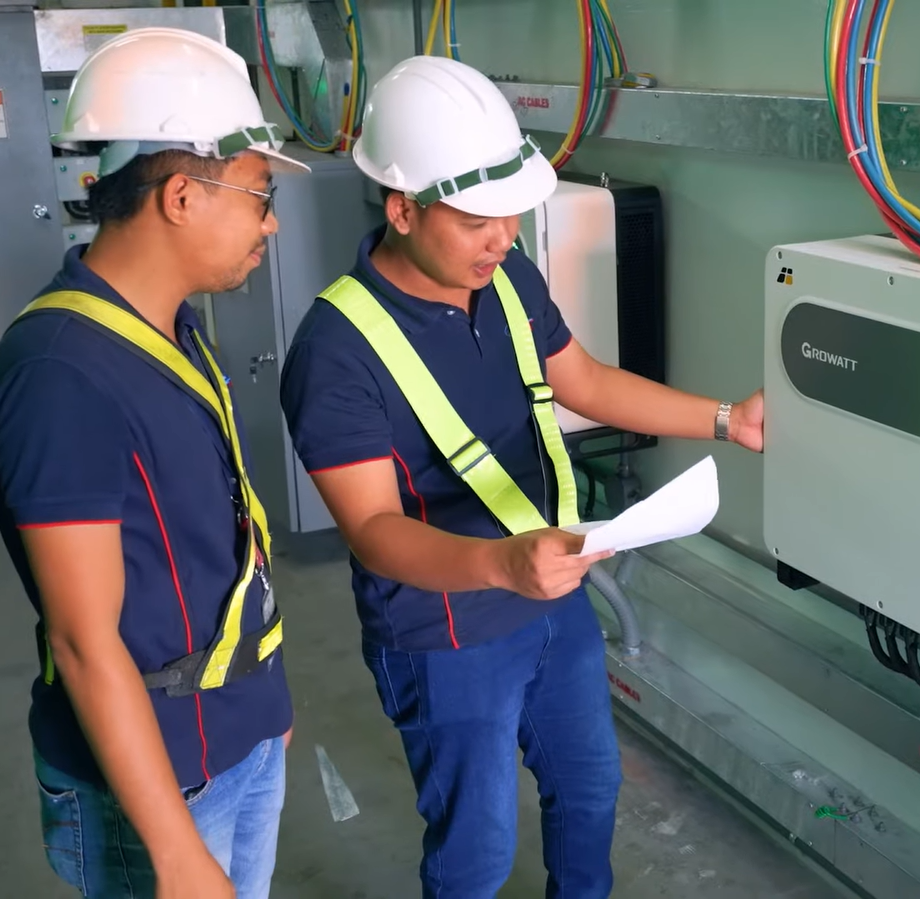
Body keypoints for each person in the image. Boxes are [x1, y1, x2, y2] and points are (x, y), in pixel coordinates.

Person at [278, 54, 764, 898]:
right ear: (401, 208)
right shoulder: (335, 351)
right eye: (476, 221)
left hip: (550, 600)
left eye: (511, 216)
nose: (501, 239)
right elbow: (374, 531)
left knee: (588, 788)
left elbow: (585, 383)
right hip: (444, 633)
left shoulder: (505, 277)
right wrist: (502, 565)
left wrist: (725, 419)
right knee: (477, 845)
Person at [0, 28, 306, 899]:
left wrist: (263, 708)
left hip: (236, 733)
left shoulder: (174, 331)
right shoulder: (61, 373)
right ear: (181, 197)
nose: (270, 221)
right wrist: (173, 851)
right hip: (159, 783)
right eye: (258, 194)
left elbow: (211, 547)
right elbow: (85, 641)